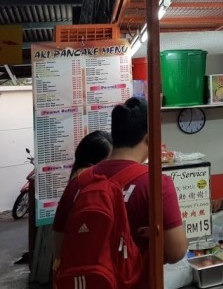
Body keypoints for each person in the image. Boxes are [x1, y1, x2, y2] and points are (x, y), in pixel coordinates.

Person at [52, 97, 188, 289]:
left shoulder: (78, 184)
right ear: (150, 138)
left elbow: (59, 249)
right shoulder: (156, 183)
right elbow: (176, 251)